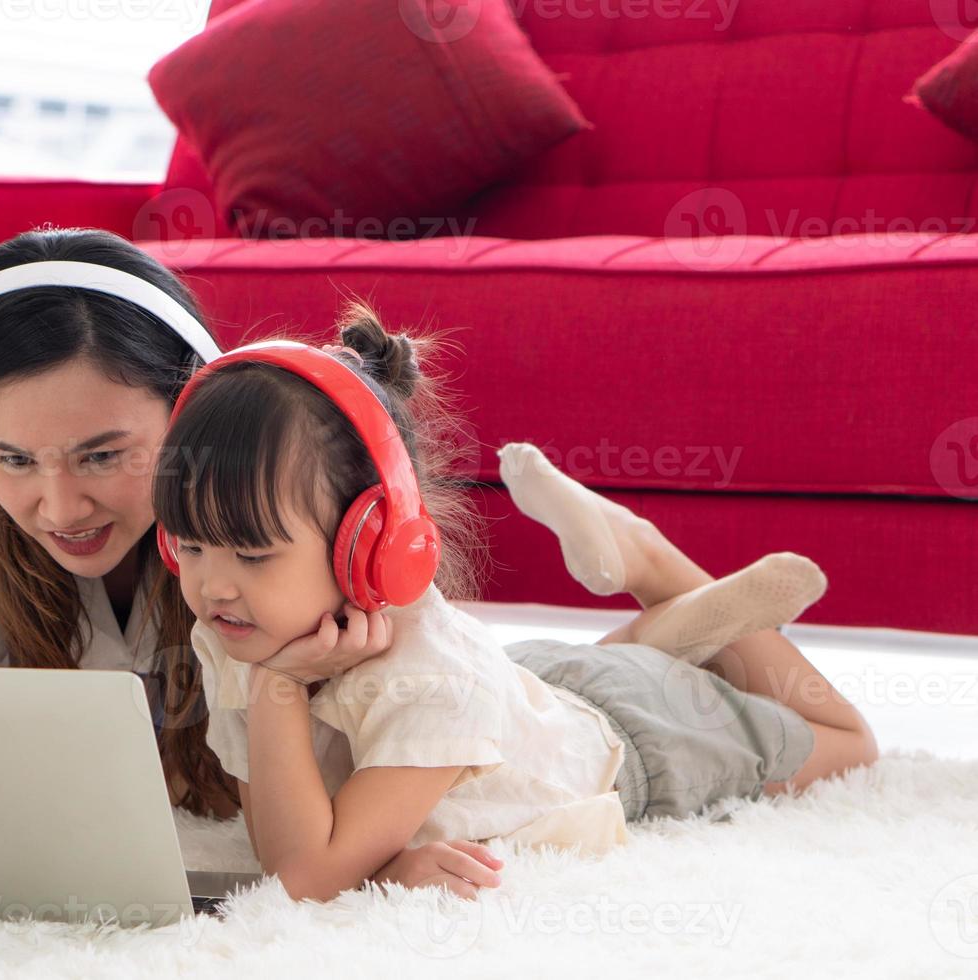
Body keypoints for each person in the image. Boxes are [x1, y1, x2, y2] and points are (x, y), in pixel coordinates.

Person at [0, 229, 510, 890]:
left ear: (188, 410)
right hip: (11, 619)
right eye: (12, 458)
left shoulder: (252, 494)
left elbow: (338, 780)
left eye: (102, 455)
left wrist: (373, 856)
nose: (62, 507)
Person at [150, 303, 880, 901]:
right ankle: (665, 610)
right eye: (190, 545)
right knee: (640, 666)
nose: (212, 584)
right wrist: (370, 862)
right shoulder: (241, 621)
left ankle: (653, 560)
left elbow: (303, 879)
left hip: (640, 741)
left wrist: (278, 693)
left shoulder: (430, 682)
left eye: (251, 553)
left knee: (846, 739)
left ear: (369, 542)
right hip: (541, 691)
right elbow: (288, 839)